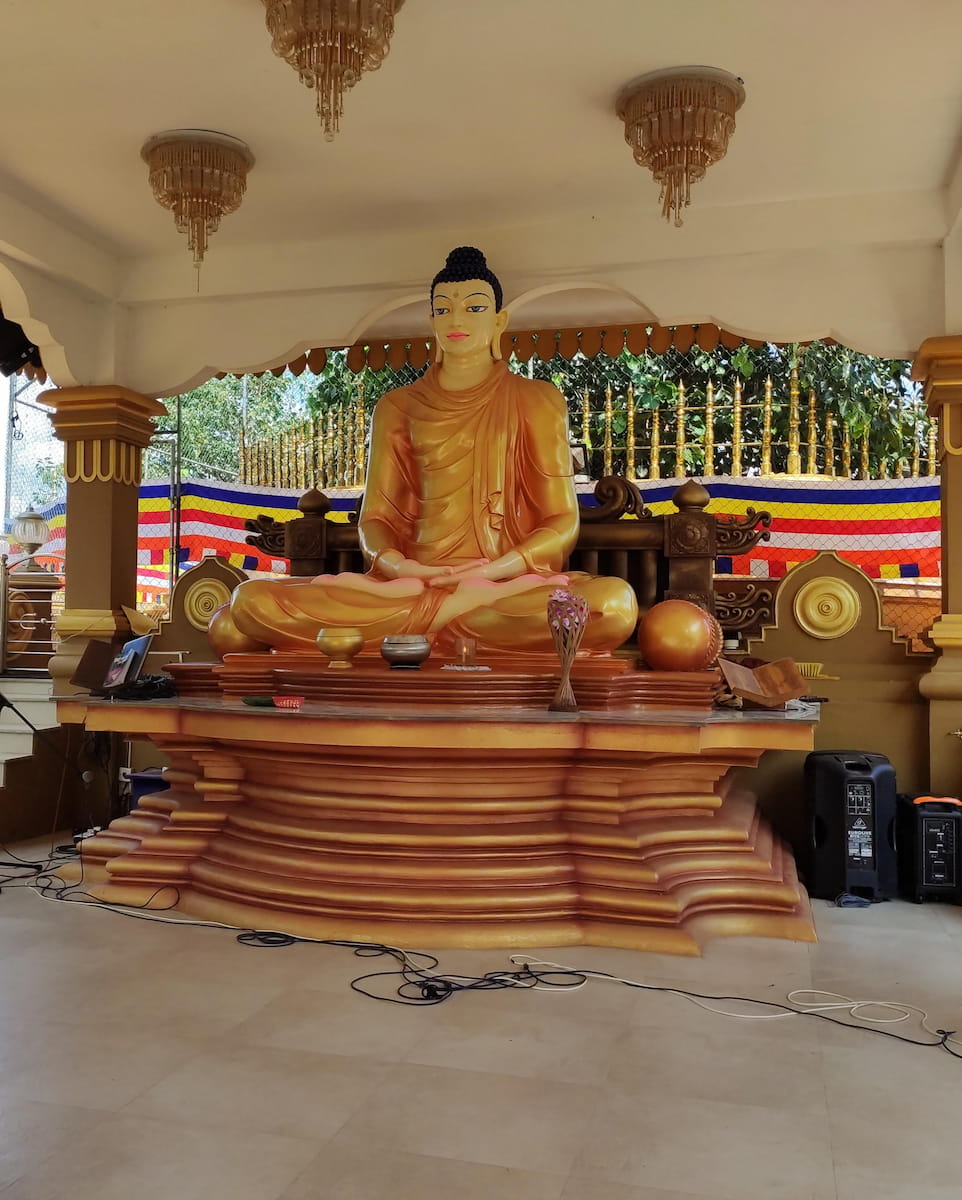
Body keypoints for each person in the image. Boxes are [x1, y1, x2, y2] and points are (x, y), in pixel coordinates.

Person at [208, 247, 638, 656]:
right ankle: (450, 620)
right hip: (411, 585)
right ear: (431, 321)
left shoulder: (536, 399)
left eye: (474, 308)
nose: (457, 320)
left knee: (612, 605)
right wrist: (403, 568)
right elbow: (375, 520)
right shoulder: (398, 406)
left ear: (499, 321)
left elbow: (561, 520)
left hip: (507, 584)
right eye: (443, 309)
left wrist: (492, 571)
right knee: (252, 600)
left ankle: (429, 626)